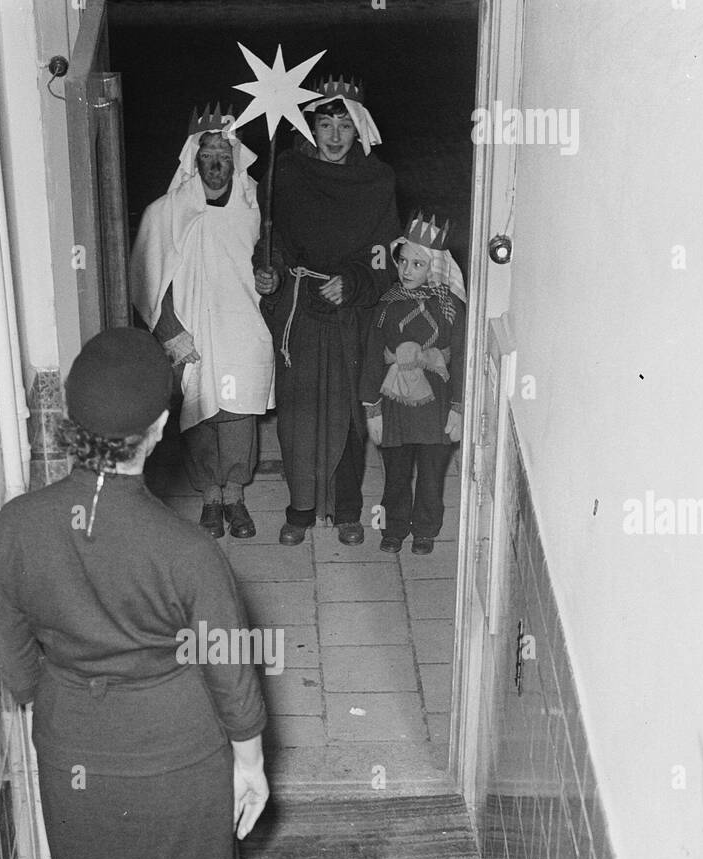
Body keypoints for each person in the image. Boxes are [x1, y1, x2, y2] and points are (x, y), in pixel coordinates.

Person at [0, 328, 270, 859]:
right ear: (158, 428)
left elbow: (15, 665)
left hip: (71, 750)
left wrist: (75, 707)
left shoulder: (16, 527)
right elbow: (229, 670)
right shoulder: (188, 552)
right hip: (176, 756)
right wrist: (248, 761)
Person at [255, 78, 400, 546]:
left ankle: (348, 510)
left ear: (359, 129)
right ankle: (299, 507)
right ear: (310, 126)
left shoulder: (378, 181)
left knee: (349, 413)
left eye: (344, 125)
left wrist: (354, 282)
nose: (335, 136)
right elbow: (272, 239)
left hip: (350, 315)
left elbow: (384, 252)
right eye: (324, 124)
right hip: (298, 309)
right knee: (298, 413)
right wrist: (271, 272)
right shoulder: (288, 174)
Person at [131, 106, 276, 540]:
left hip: (241, 327)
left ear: (236, 160)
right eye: (207, 155)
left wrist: (272, 277)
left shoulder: (252, 210)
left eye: (224, 156)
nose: (216, 165)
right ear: (193, 159)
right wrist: (170, 331)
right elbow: (150, 278)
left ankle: (235, 494)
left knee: (236, 412)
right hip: (190, 330)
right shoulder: (166, 212)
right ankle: (210, 497)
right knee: (199, 413)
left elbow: (269, 261)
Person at [360, 213, 467, 555]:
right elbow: (373, 356)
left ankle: (425, 529)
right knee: (396, 473)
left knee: (432, 476)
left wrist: (458, 407)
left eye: (417, 264)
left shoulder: (451, 308)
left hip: (436, 407)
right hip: (394, 408)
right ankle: (393, 528)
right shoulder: (385, 306)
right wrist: (372, 409)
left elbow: (462, 357)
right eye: (403, 261)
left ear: (433, 268)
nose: (406, 270)